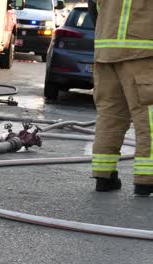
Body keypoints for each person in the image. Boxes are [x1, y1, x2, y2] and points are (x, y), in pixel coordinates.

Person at [88, 0, 153, 196]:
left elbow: (93, 11)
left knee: (109, 116)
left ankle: (103, 176)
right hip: (142, 54)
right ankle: (146, 180)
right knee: (148, 120)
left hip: (105, 53)